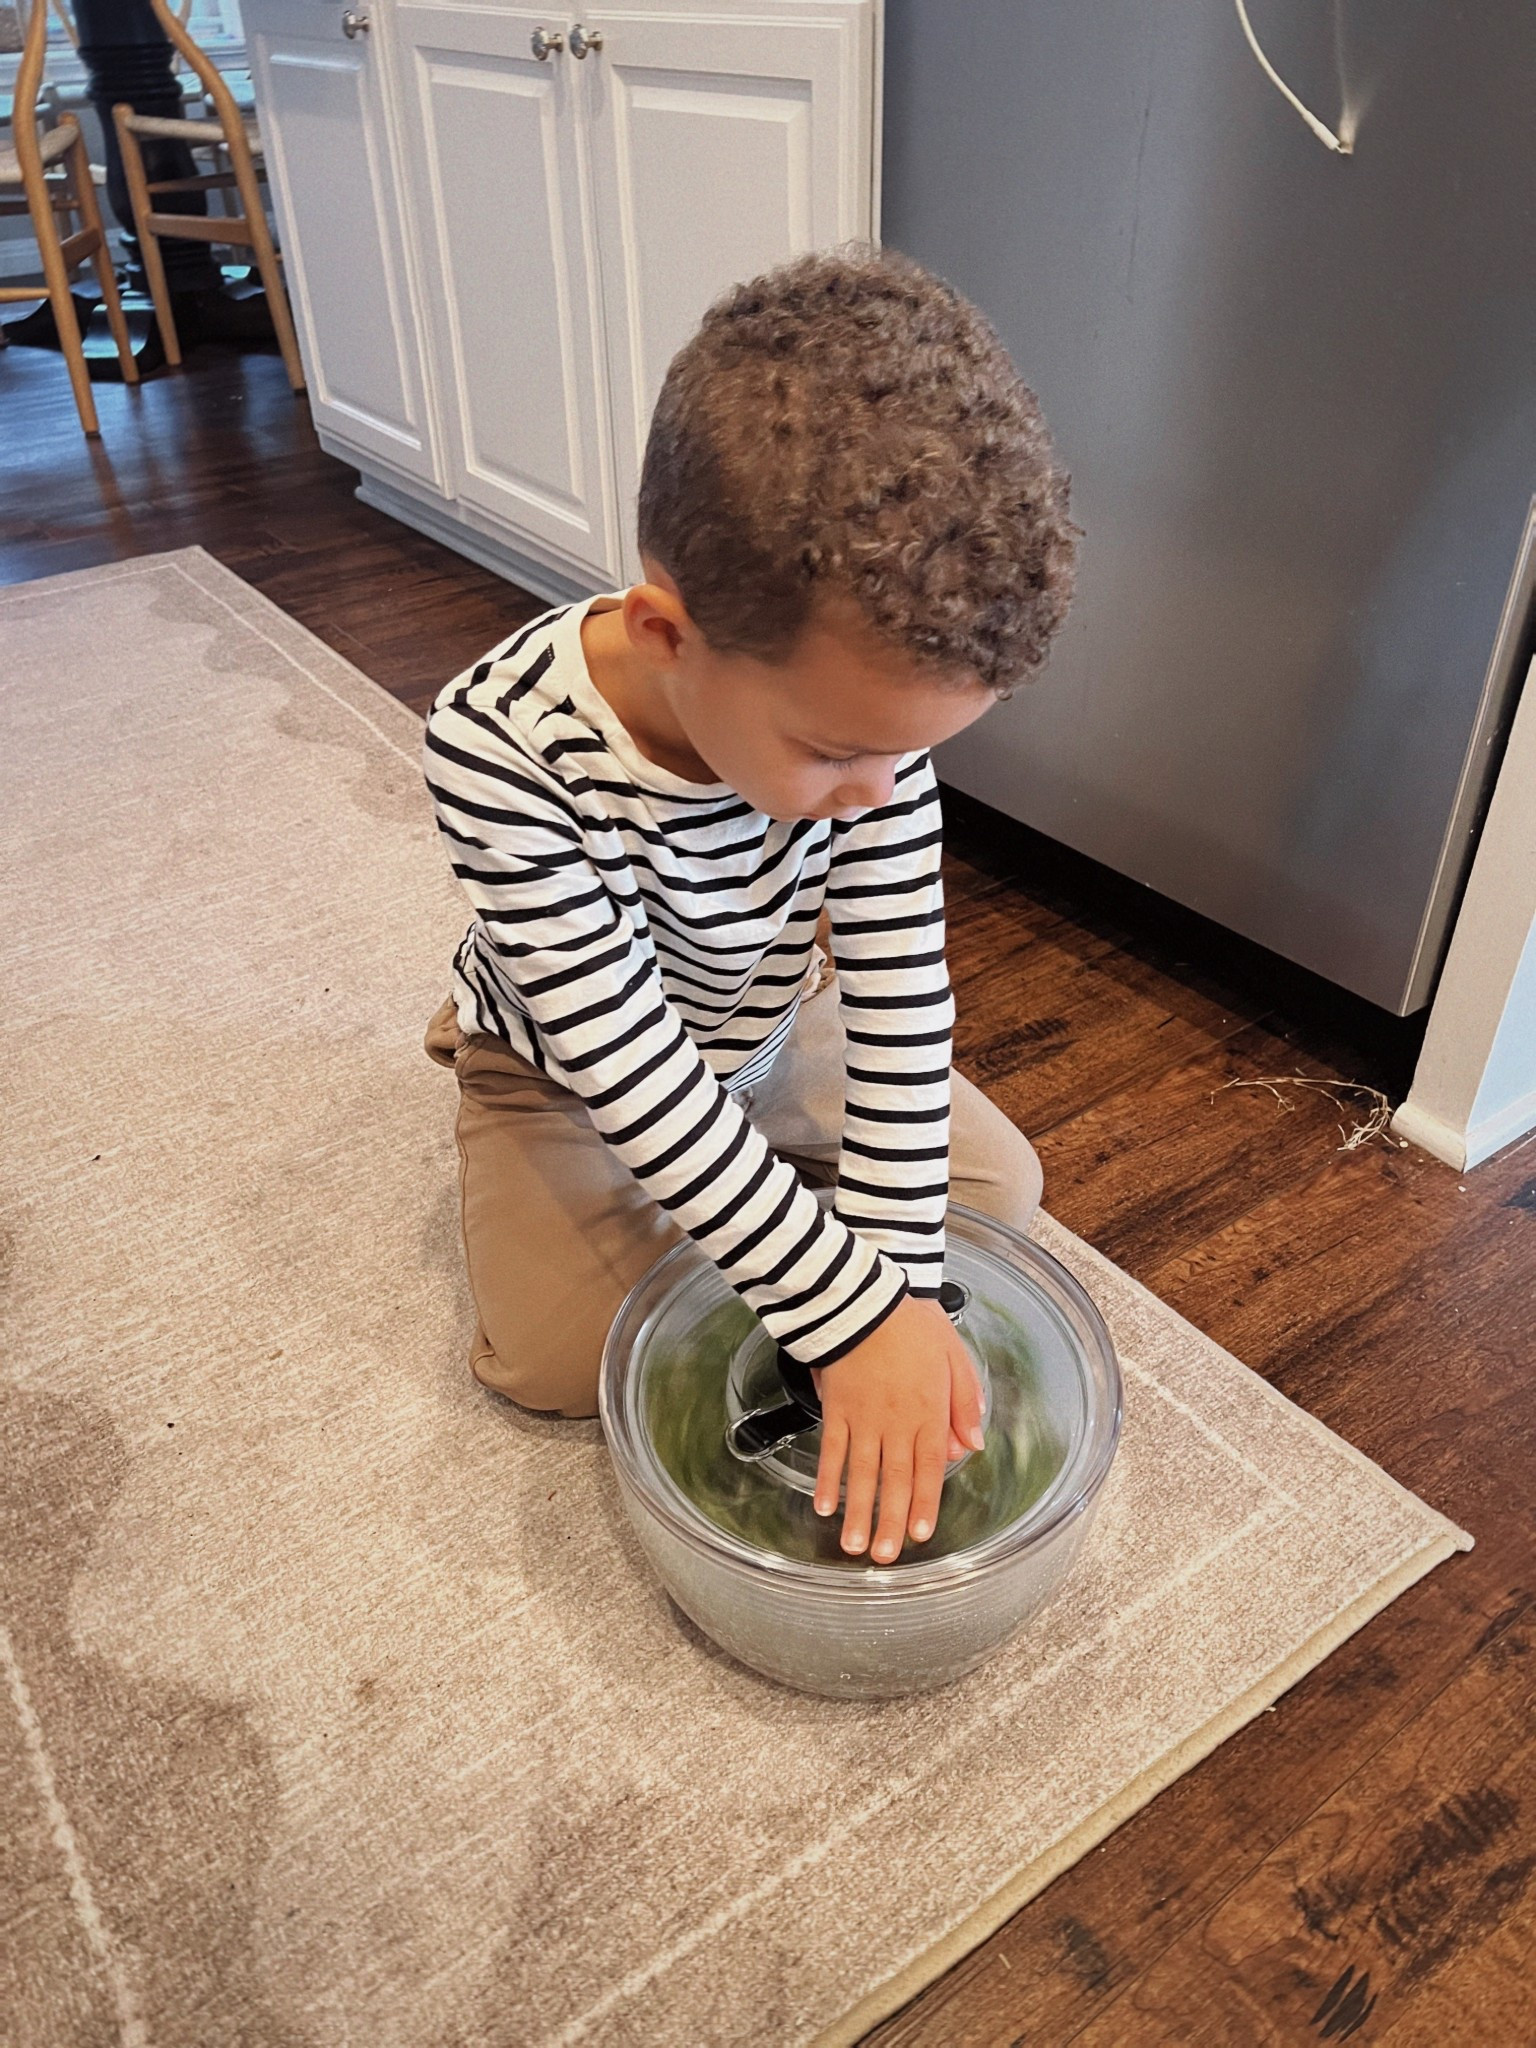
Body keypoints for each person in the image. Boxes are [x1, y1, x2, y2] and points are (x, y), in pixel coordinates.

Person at [421, 245, 1078, 1567]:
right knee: (559, 1361)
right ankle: (502, 1064)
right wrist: (843, 1318)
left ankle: (764, 1214)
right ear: (669, 637)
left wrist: (887, 1292)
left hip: (770, 1029)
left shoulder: (867, 731)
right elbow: (637, 1078)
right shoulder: (494, 746)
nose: (874, 794)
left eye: (907, 757)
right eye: (838, 754)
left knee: (995, 1197)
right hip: (574, 1070)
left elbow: (898, 1000)